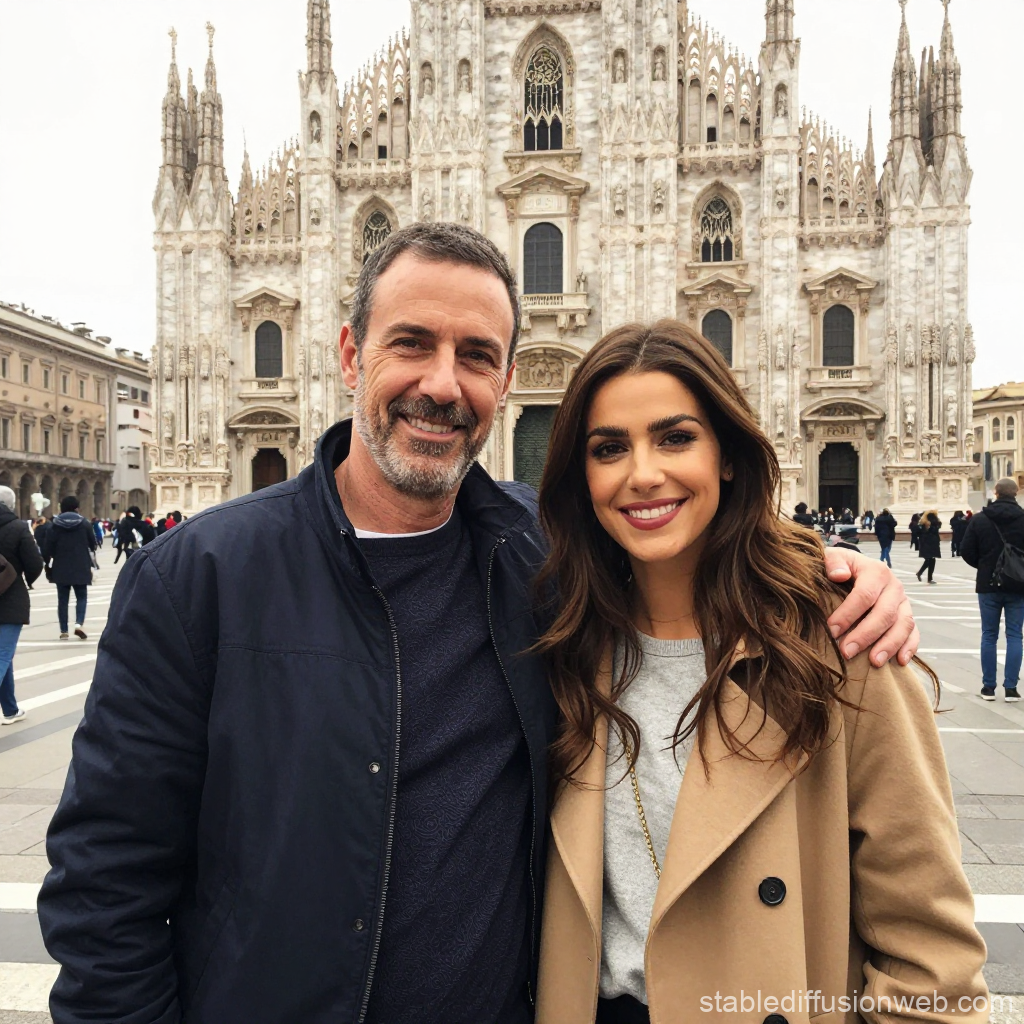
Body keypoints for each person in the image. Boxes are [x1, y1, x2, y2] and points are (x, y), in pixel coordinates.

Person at [38, 224, 918, 1024]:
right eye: (411, 344)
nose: (442, 385)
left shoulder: (545, 555)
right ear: (348, 353)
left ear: (505, 378)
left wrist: (828, 568)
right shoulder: (198, 578)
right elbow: (104, 884)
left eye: (478, 355)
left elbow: (685, 532)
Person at [531, 321, 986, 1024]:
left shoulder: (840, 640)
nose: (642, 472)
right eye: (608, 449)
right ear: (579, 476)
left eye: (675, 437)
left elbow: (933, 963)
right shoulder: (562, 644)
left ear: (729, 457)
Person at [961, 478, 1024, 702]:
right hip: (1018, 584)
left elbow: (965, 550)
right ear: (1015, 493)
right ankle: (1011, 689)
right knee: (1015, 635)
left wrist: (986, 566)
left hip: (988, 584)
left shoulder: (980, 519)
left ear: (995, 493)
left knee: (989, 635)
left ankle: (988, 688)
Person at [0, 485, 44, 725]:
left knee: (4, 656)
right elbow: (35, 563)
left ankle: (10, 710)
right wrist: (23, 579)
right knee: (2, 654)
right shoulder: (18, 527)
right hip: (10, 600)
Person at [42, 495, 97, 641]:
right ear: (76, 508)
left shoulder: (54, 524)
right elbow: (93, 544)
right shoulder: (84, 523)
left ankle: (64, 630)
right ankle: (78, 624)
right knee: (81, 597)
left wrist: (49, 562)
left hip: (61, 566)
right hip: (81, 565)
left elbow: (47, 548)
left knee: (63, 599)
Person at [916, 509, 942, 584]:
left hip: (925, 543)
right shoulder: (934, 523)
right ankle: (928, 577)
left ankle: (924, 575)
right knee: (930, 560)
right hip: (932, 543)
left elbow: (918, 533)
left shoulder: (923, 523)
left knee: (930, 560)